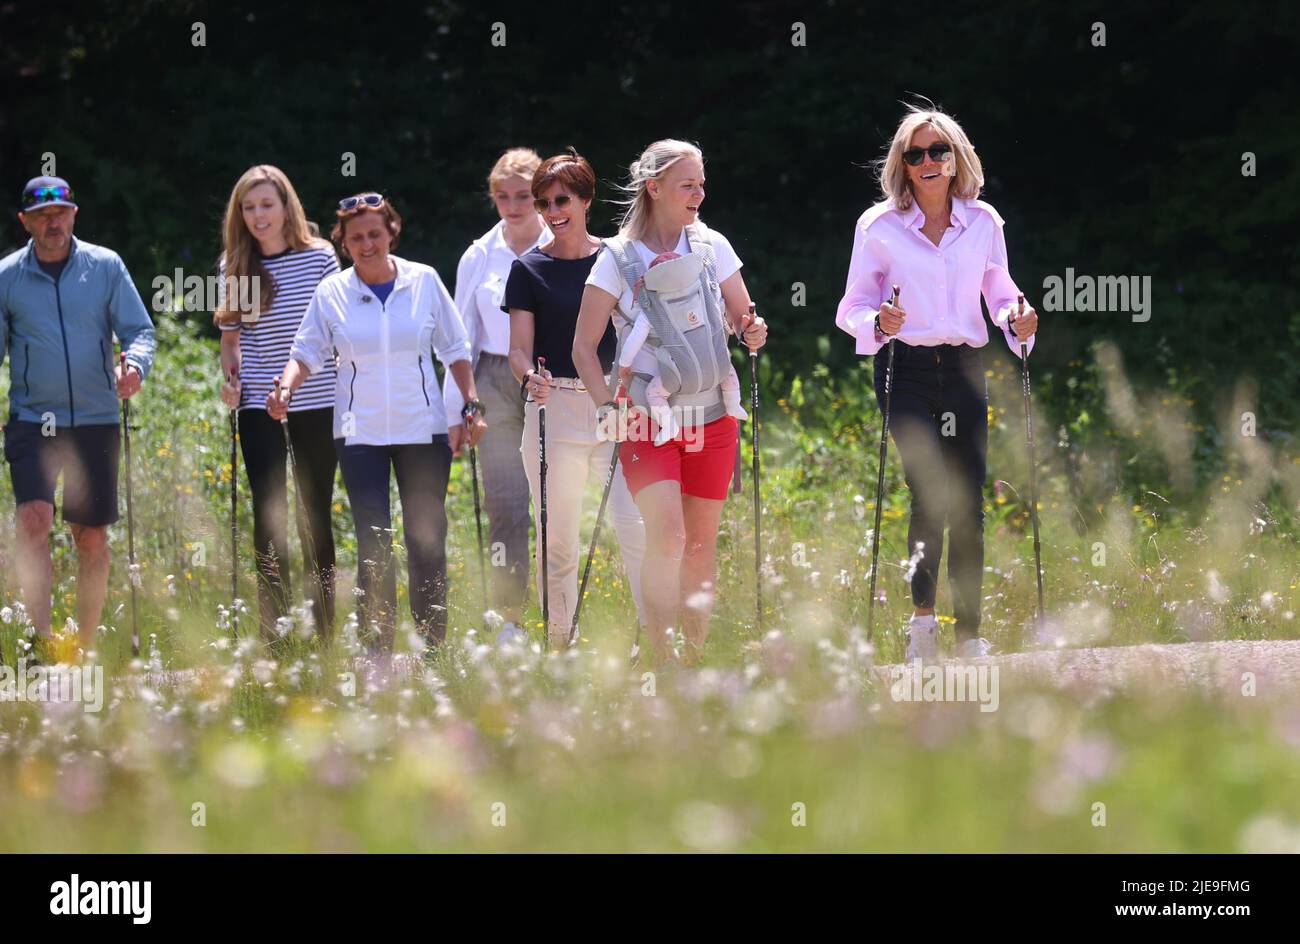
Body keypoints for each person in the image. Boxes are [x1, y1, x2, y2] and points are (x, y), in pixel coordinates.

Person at [834, 105, 1039, 660]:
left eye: (938, 151)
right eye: (916, 153)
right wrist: (877, 323)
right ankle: (922, 624)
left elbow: (1000, 291)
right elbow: (851, 305)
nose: (928, 161)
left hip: (966, 368)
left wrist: (1017, 318)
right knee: (929, 492)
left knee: (969, 499)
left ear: (955, 159)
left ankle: (969, 635)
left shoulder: (984, 222)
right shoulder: (878, 226)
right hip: (906, 368)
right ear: (903, 164)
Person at [573, 140, 767, 666]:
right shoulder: (615, 259)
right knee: (669, 535)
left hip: (712, 415)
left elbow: (745, 319)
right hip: (644, 421)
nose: (700, 193)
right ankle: (658, 653)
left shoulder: (711, 246)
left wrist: (753, 330)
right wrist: (605, 406)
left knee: (701, 544)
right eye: (689, 184)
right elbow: (583, 349)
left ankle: (696, 657)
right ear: (654, 187)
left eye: (702, 183)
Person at [269, 193, 485, 654]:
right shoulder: (332, 292)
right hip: (359, 432)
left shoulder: (423, 281)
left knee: (426, 538)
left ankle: (433, 649)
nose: (367, 244)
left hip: (422, 429)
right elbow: (305, 351)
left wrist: (470, 402)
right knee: (374, 540)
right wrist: (286, 389)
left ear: (391, 231)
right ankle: (378, 650)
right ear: (343, 244)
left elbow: (455, 347)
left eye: (374, 234)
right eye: (356, 238)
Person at [0, 176, 156, 658]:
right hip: (33, 417)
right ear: (25, 221)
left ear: (74, 214)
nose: (53, 223)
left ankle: (83, 647)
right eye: (42, 216)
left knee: (89, 534)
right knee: (34, 518)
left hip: (95, 418)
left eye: (61, 213)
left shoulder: (105, 266)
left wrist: (134, 365)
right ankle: (42, 640)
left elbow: (140, 331)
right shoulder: (7, 276)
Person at [508, 150, 647, 650]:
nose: (552, 211)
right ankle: (561, 644)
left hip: (616, 405)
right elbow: (518, 349)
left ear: (586, 199)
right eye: (543, 202)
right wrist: (529, 379)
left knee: (636, 529)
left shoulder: (618, 259)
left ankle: (654, 641)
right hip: (555, 409)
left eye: (561, 199)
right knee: (558, 541)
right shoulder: (528, 269)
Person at [215, 165, 340, 642]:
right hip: (258, 408)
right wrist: (231, 380)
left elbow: (333, 331)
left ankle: (325, 628)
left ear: (287, 206)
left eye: (267, 204)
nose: (258, 215)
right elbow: (232, 343)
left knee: (315, 510)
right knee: (269, 516)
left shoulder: (319, 259)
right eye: (248, 207)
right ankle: (277, 631)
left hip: (316, 400)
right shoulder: (236, 266)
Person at [444, 149, 549, 642]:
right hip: (492, 378)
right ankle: (511, 622)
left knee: (557, 498)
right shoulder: (479, 255)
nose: (512, 205)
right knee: (506, 503)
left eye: (523, 196)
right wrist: (456, 410)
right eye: (502, 196)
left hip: (551, 378)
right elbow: (458, 336)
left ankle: (562, 615)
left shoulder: (563, 244)